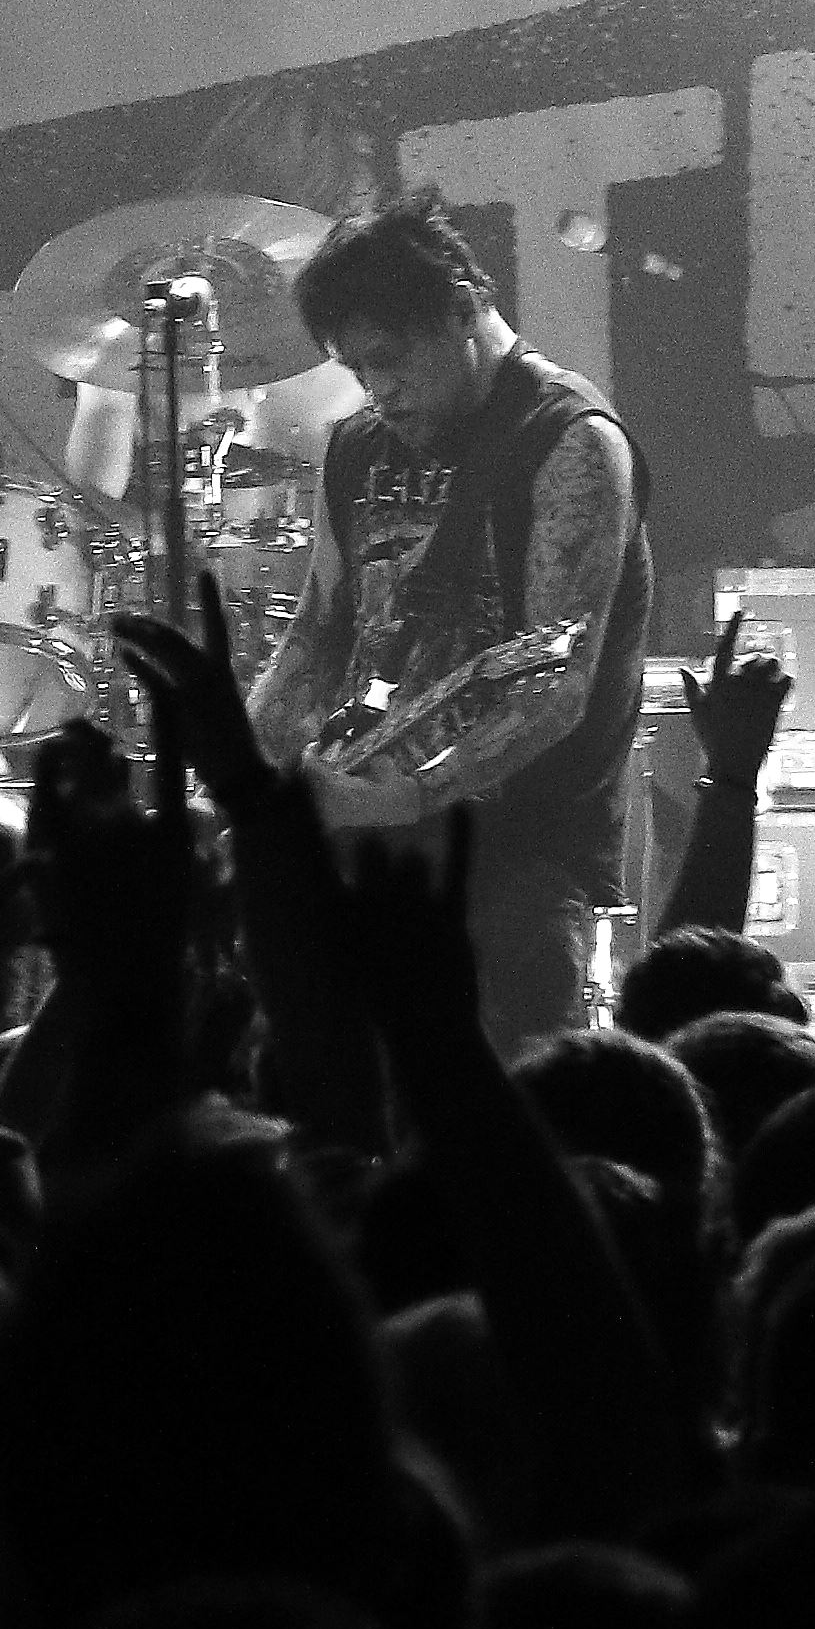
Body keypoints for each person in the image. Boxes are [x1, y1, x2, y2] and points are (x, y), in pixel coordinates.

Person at [242, 190, 651, 1040]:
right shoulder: (358, 445)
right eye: (359, 371)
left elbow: (556, 685)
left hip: (518, 862)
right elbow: (318, 634)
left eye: (391, 360)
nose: (379, 392)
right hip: (372, 854)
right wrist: (246, 781)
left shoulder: (569, 441)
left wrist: (410, 797)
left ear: (464, 309)